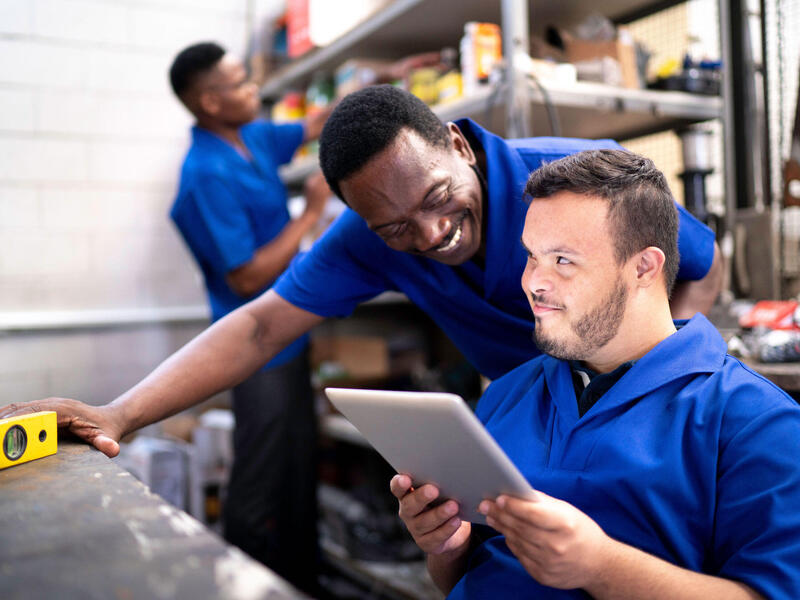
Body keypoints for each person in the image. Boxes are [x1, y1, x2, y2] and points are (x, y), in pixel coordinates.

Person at [2, 87, 721, 512]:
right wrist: (118, 413)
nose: (434, 233)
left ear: (455, 144)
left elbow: (699, 263)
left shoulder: (567, 185)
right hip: (528, 427)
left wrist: (663, 388)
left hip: (641, 419)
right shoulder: (367, 236)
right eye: (396, 227)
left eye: (439, 198)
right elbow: (259, 328)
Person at [390, 150, 800, 599]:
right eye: (531, 257)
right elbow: (461, 578)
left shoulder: (755, 422)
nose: (533, 283)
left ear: (644, 267)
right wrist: (447, 547)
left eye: (563, 260)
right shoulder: (506, 395)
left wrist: (599, 566)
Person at [166, 42, 331, 591]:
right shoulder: (204, 175)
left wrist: (386, 76)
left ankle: (299, 580)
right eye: (239, 85)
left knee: (298, 467)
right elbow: (246, 277)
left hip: (291, 332)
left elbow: (310, 125)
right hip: (253, 349)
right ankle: (243, 584)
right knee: (260, 477)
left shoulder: (250, 135)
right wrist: (308, 214)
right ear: (210, 102)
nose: (251, 92)